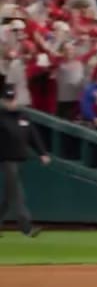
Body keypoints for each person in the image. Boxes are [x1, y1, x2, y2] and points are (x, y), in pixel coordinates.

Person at [0, 83, 50, 237]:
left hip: (21, 159)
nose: (10, 102)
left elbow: (33, 135)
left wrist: (42, 153)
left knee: (10, 197)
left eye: (12, 98)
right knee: (18, 194)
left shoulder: (23, 116)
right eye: (7, 99)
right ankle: (26, 228)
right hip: (7, 159)